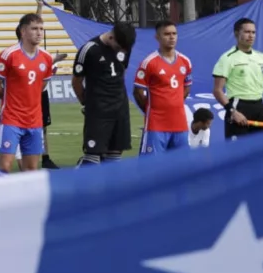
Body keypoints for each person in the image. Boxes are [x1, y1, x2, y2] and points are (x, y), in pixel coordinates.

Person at [0, 12, 53, 174]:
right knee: (5, 166)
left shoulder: (46, 58)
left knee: (31, 169)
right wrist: (10, 100)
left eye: (41, 29)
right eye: (34, 29)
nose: (39, 33)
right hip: (12, 119)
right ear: (23, 31)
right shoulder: (9, 55)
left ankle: (28, 199)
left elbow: (41, 86)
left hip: (35, 120)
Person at [72, 21, 136, 166]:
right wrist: (86, 102)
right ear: (112, 37)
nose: (121, 50)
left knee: (114, 159)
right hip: (98, 112)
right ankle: (78, 184)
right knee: (92, 158)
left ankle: (110, 189)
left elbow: (122, 72)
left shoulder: (124, 47)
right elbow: (76, 81)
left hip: (120, 110)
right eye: (119, 47)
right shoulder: (89, 49)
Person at [213, 17, 263, 139]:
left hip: (259, 108)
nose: (251, 36)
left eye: (253, 32)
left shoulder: (261, 57)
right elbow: (217, 91)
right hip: (238, 107)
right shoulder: (227, 58)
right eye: (247, 32)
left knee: (259, 154)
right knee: (238, 155)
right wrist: (233, 112)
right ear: (236, 33)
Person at [133, 19, 193, 155]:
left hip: (180, 124)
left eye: (174, 33)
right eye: (167, 34)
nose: (171, 37)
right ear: (157, 37)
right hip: (156, 124)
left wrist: (174, 103)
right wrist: (150, 110)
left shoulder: (185, 61)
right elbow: (138, 91)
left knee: (182, 166)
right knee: (152, 167)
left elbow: (186, 88)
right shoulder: (149, 62)